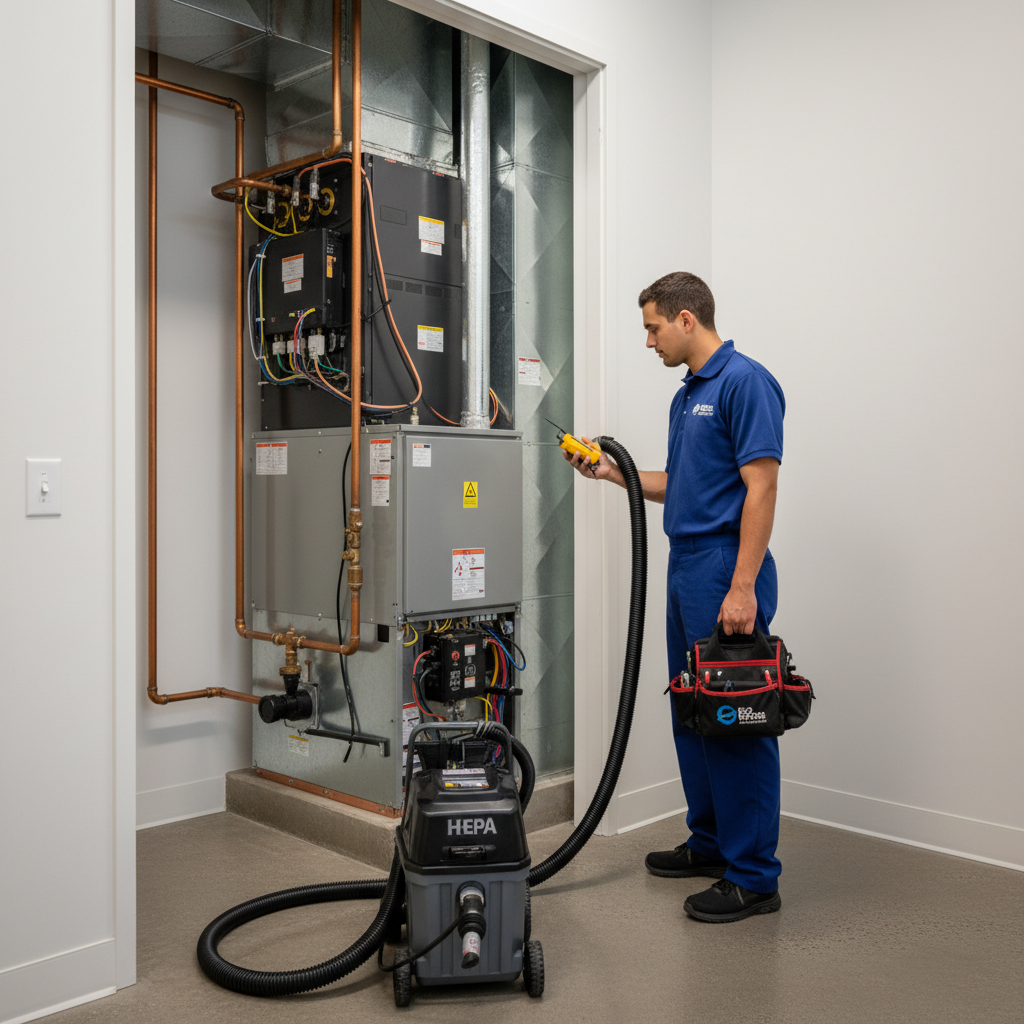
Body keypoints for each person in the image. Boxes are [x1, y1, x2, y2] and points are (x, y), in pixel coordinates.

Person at [564, 271, 785, 923]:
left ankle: (754, 877)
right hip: (686, 562)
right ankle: (713, 843)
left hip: (724, 566)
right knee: (695, 710)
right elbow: (683, 484)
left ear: (688, 320)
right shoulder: (686, 395)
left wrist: (742, 585)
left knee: (737, 718)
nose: (649, 340)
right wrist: (611, 472)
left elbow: (762, 489)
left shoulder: (745, 382)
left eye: (653, 327)